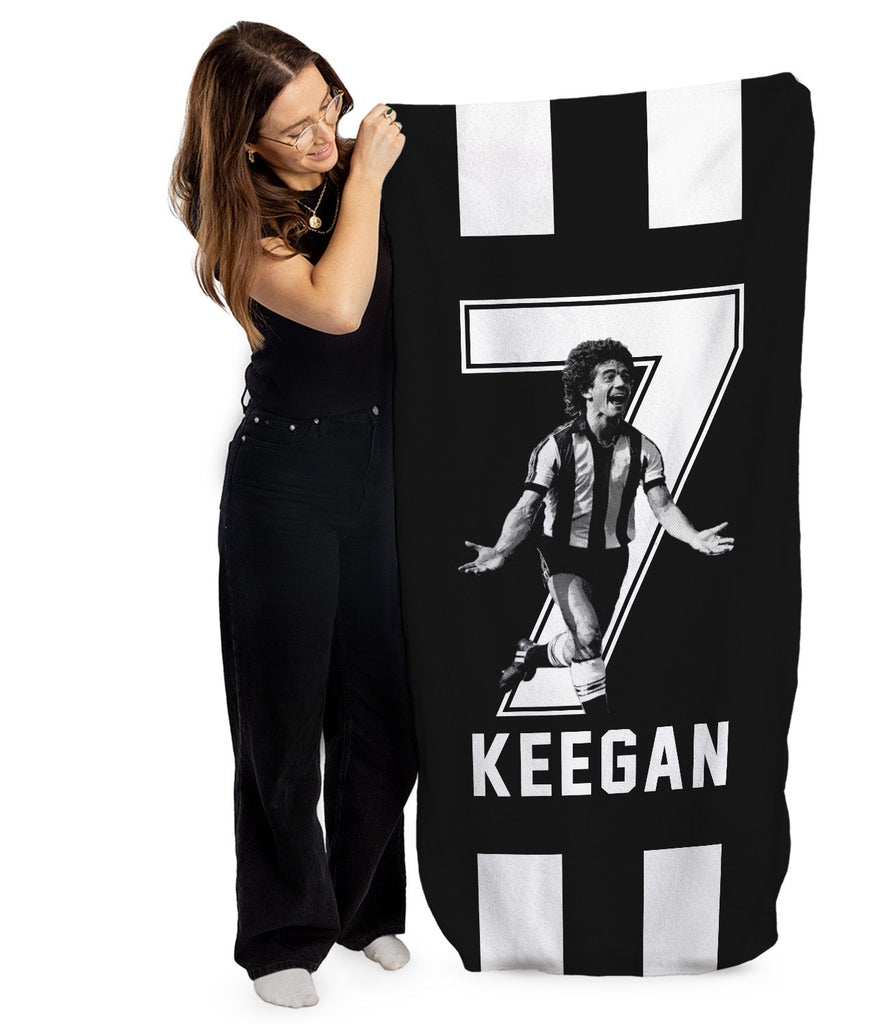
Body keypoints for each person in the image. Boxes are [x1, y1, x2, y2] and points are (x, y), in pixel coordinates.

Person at [169, 22, 417, 1008]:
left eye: (329, 106)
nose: (326, 137)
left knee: (386, 713)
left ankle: (362, 908)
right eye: (297, 129)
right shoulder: (231, 219)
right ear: (245, 145)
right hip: (286, 482)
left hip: (384, 467)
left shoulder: (350, 164)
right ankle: (280, 934)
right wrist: (367, 180)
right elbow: (337, 304)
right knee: (282, 720)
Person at [458, 338, 734, 715]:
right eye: (609, 376)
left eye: (626, 376)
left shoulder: (643, 449)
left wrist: (694, 537)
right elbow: (526, 508)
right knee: (588, 635)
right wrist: (501, 550)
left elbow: (664, 507)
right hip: (563, 558)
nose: (621, 383)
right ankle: (602, 731)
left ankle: (530, 655)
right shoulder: (556, 447)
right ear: (586, 389)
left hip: (612, 561)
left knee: (586, 643)